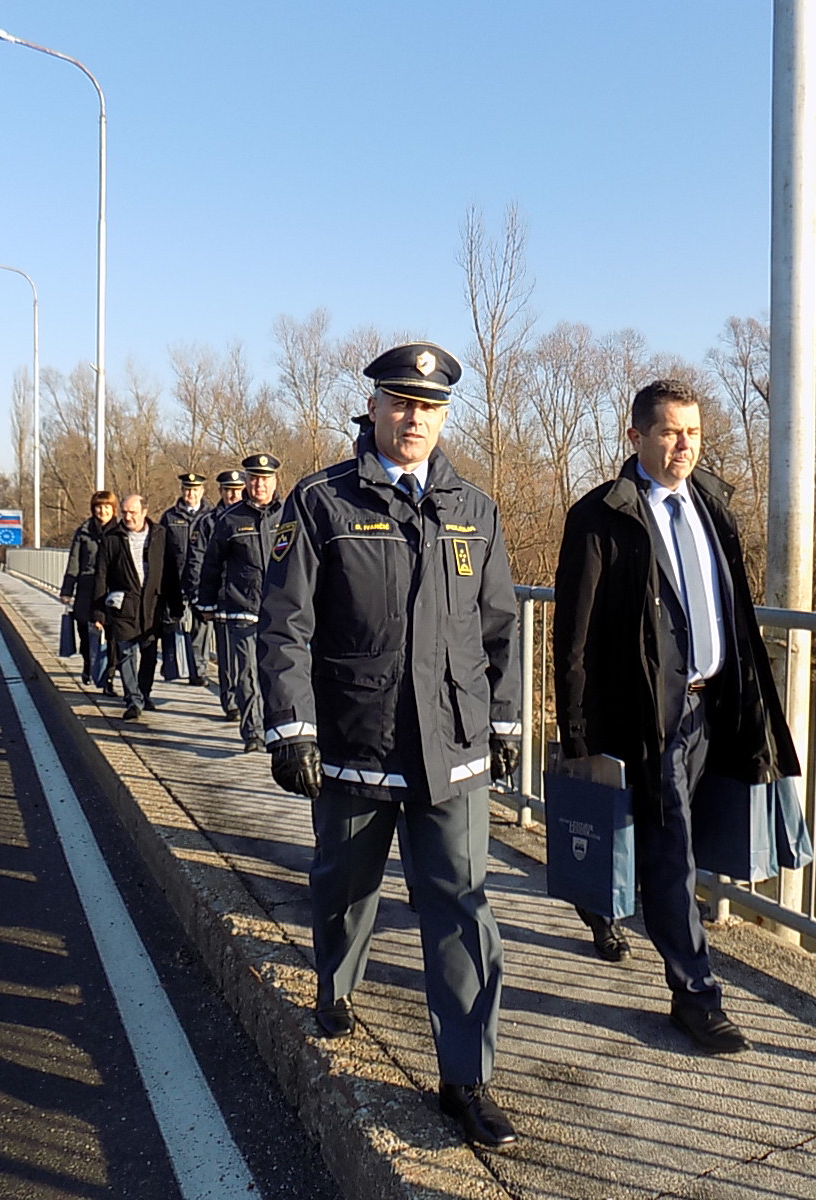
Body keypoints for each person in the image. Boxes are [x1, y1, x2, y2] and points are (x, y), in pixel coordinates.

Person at [257, 342, 522, 1148]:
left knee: (460, 906)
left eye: (431, 407)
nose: (415, 419)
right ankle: (335, 985)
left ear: (444, 417)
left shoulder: (473, 506)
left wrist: (505, 723)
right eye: (401, 403)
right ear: (371, 407)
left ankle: (466, 1078)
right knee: (344, 883)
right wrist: (290, 727)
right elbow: (285, 626)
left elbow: (499, 629)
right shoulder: (322, 503)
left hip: (450, 747)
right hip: (354, 740)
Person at [552, 378, 801, 1055]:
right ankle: (695, 996)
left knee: (667, 842)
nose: (683, 444)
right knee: (672, 852)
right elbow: (571, 638)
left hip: (714, 706)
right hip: (650, 717)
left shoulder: (712, 502)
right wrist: (576, 739)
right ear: (635, 437)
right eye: (668, 431)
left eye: (692, 431)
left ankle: (600, 899)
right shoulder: (602, 515)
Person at [195, 452, 284, 753]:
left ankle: (279, 730)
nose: (259, 484)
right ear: (246, 481)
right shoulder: (229, 519)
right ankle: (253, 733)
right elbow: (211, 564)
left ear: (275, 481)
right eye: (254, 478)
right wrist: (206, 604)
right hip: (241, 609)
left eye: (265, 479)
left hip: (280, 612)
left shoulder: (289, 516)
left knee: (279, 675)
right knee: (246, 675)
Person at [93, 494, 185, 721]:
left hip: (152, 605)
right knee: (126, 653)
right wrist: (98, 612)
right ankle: (133, 699)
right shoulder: (112, 538)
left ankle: (144, 692)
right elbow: (101, 575)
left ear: (144, 512)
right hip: (123, 605)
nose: (127, 517)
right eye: (124, 512)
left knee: (149, 653)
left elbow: (171, 573)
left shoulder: (160, 536)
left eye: (132, 512)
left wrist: (176, 606)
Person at [188, 466, 248, 719]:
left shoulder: (251, 517)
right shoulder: (208, 522)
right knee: (226, 657)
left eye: (237, 491)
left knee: (250, 660)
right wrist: (200, 598)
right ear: (220, 492)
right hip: (221, 598)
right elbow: (198, 561)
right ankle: (231, 701)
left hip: (248, 599)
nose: (233, 496)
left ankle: (252, 705)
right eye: (228, 491)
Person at [60, 490, 120, 693]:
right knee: (85, 633)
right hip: (87, 588)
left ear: (113, 509)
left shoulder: (120, 531)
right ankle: (88, 664)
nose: (102, 511)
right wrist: (67, 589)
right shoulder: (84, 531)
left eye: (106, 507)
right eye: (98, 507)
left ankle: (108, 677)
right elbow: (74, 562)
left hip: (111, 590)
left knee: (111, 635)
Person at [158, 472, 213, 686]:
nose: (191, 493)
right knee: (171, 625)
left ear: (202, 491)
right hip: (175, 581)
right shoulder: (170, 517)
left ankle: (198, 671)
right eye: (187, 489)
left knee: (201, 628)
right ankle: (173, 666)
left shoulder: (211, 516)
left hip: (201, 582)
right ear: (182, 491)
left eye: (195, 489)